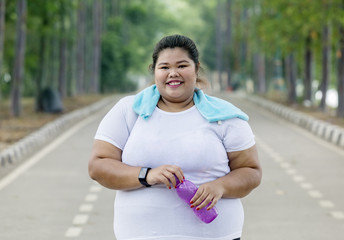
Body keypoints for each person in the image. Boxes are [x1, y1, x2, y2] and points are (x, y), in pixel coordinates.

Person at [89, 34, 262, 240]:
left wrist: (220, 186)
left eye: (182, 66)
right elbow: (98, 166)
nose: (173, 73)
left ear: (196, 68)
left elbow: (251, 171)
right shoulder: (129, 110)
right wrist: (146, 175)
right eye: (164, 67)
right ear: (154, 71)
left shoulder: (225, 115)